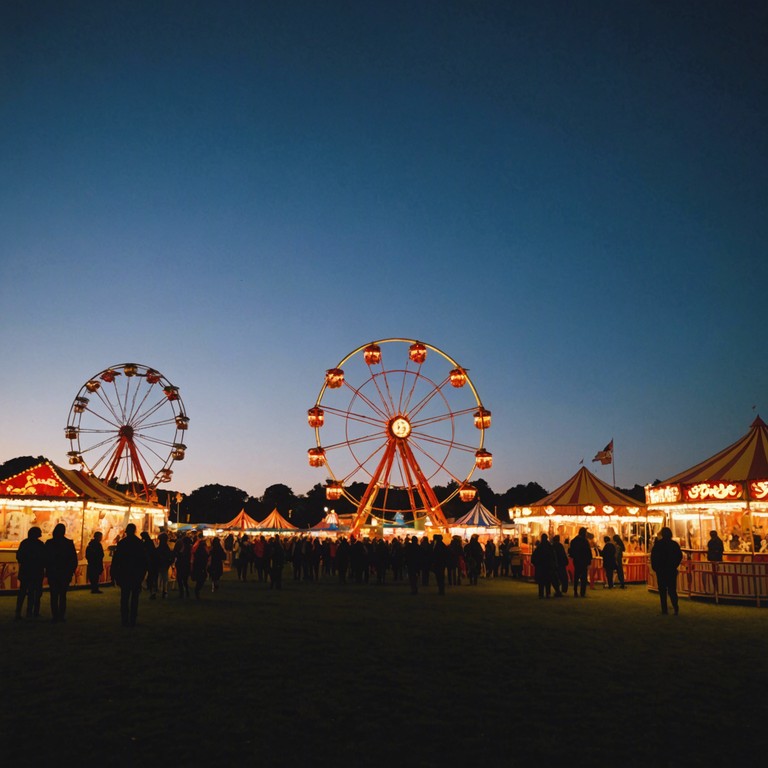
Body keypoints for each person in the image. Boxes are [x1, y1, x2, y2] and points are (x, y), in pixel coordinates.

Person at [111, 523, 148, 627]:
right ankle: (132, 619)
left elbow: (116, 560)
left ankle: (124, 619)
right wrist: (142, 574)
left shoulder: (122, 543)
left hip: (125, 573)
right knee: (134, 598)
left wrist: (114, 573)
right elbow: (144, 561)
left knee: (125, 597)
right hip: (135, 574)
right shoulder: (139, 543)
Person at [44, 522, 79, 623]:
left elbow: (46, 558)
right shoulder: (68, 543)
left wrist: (47, 569)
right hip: (64, 573)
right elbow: (73, 559)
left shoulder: (49, 543)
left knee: (54, 595)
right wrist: (71, 571)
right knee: (63, 595)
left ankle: (55, 615)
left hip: (53, 572)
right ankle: (61, 615)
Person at [651, 526, 683, 615]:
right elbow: (679, 556)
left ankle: (664, 609)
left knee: (662, 590)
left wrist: (656, 567)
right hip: (671, 570)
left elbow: (654, 557)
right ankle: (675, 607)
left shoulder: (658, 545)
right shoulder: (674, 544)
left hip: (661, 570)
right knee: (672, 589)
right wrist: (674, 565)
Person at [15, 526, 45, 619]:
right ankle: (32, 612)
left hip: (25, 571)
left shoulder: (24, 543)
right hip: (36, 572)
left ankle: (18, 612)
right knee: (35, 593)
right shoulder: (40, 544)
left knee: (23, 592)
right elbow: (44, 558)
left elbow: (19, 556)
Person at [568, 527, 592, 597]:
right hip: (583, 561)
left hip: (577, 560)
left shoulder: (574, 541)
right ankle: (582, 592)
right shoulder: (585, 541)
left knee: (576, 575)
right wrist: (589, 560)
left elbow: (571, 551)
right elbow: (588, 551)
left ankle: (575, 591)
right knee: (583, 577)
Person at [531, 534, 557, 598]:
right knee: (548, 581)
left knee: (541, 581)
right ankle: (548, 593)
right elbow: (553, 556)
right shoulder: (549, 547)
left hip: (541, 566)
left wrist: (536, 564)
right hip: (548, 566)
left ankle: (541, 594)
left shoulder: (539, 547)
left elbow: (534, 557)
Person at [140, 531, 159, 599]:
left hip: (148, 562)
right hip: (151, 562)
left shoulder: (146, 543)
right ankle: (152, 590)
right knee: (151, 576)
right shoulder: (150, 542)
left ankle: (150, 589)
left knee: (148, 576)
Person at [156, 532, 174, 598]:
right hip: (165, 564)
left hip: (161, 564)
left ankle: (161, 589)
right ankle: (164, 590)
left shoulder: (160, 548)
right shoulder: (166, 548)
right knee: (164, 578)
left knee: (161, 577)